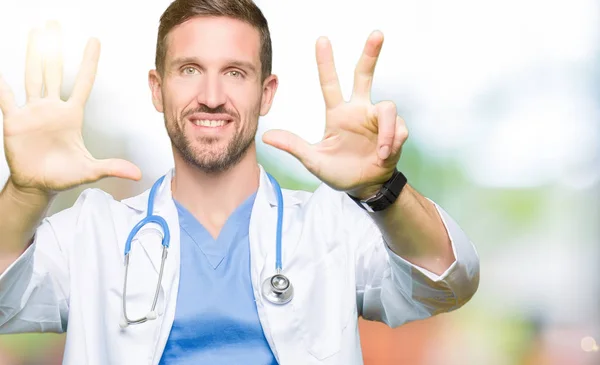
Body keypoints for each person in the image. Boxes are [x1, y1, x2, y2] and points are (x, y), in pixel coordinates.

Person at [0, 0, 480, 364]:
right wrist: (25, 192)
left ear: (266, 92)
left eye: (235, 72)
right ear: (156, 88)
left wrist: (381, 188)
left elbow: (448, 282)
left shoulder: (330, 228)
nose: (211, 97)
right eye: (190, 70)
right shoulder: (94, 232)